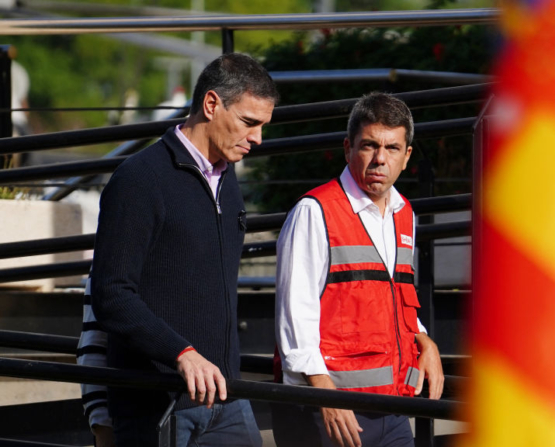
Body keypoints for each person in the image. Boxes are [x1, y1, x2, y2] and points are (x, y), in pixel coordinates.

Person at [86, 52, 279, 447]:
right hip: (157, 403)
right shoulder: (139, 180)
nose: (258, 138)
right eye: (249, 122)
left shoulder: (227, 178)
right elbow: (111, 294)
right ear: (211, 104)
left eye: (262, 126)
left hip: (226, 397)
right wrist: (181, 353)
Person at [273, 92, 444, 447]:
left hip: (392, 406)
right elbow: (294, 315)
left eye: (392, 148)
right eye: (369, 145)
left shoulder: (404, 213)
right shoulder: (314, 211)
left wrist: (424, 339)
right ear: (348, 147)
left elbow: (394, 294)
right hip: (329, 412)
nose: (380, 159)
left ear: (407, 156)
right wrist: (326, 396)